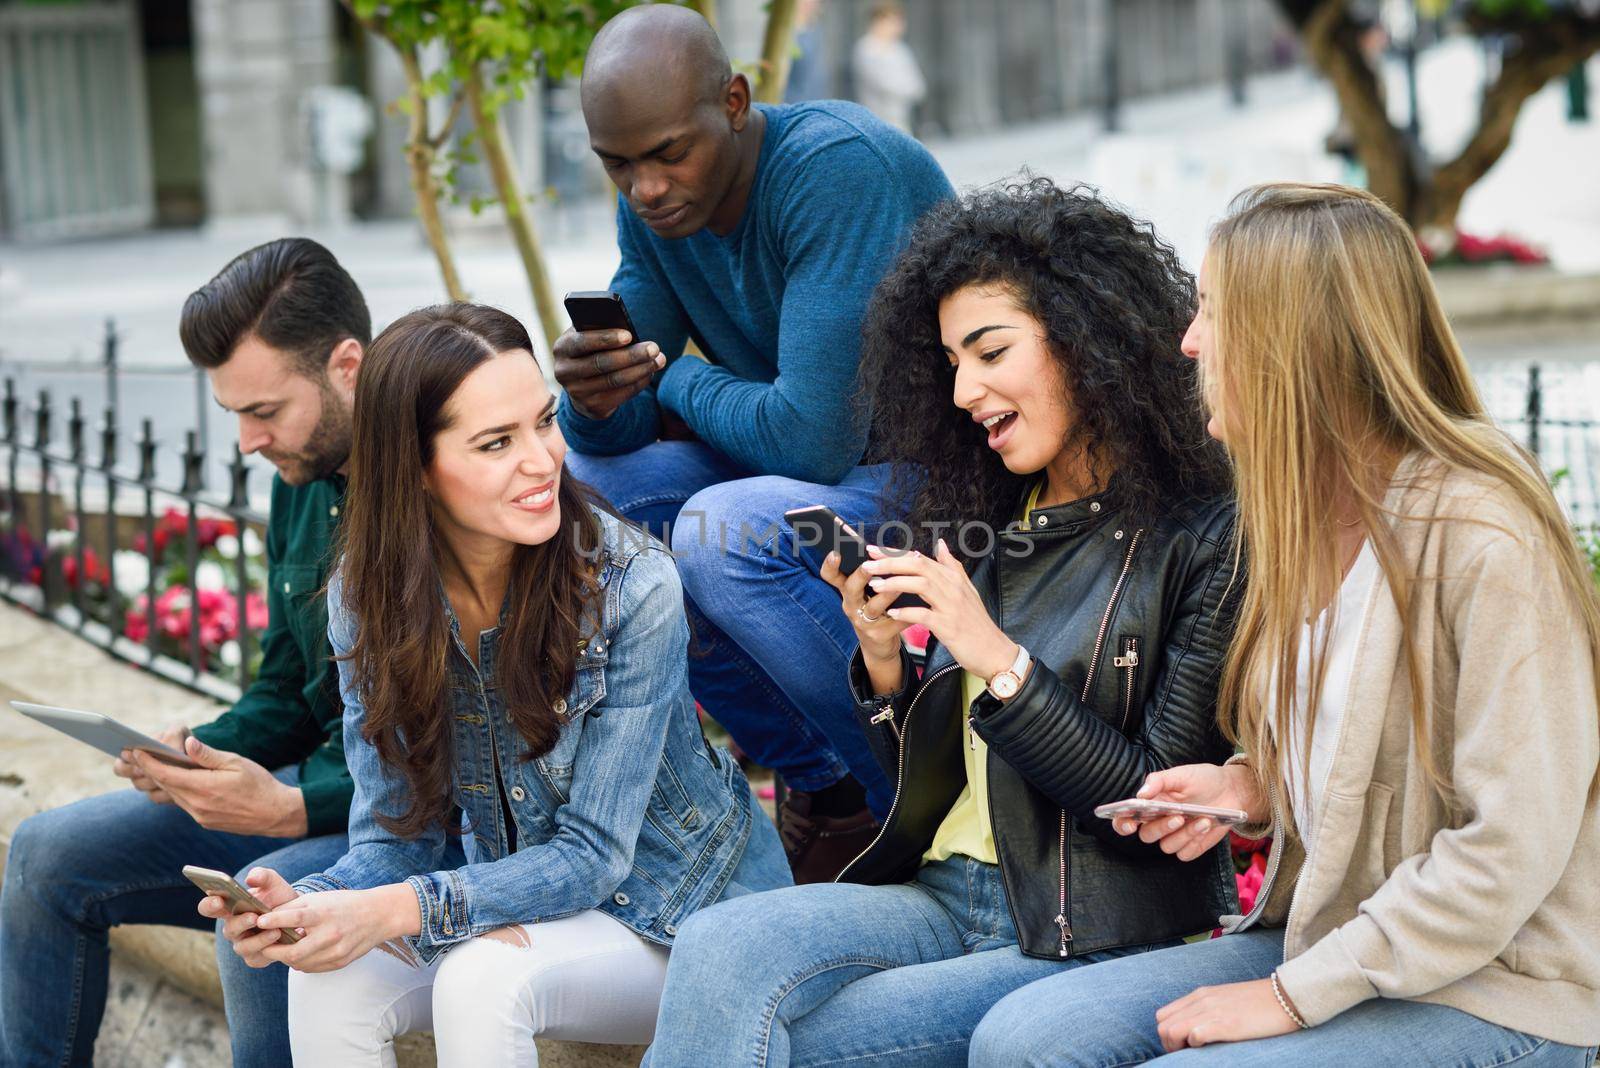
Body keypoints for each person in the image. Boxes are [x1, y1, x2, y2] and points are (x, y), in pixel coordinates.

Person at [969, 183, 1600, 1067]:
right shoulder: (1293, 520)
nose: (1188, 341)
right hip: (1334, 942)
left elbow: (1509, 844)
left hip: (1499, 987)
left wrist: (1288, 996)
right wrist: (1250, 790)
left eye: (1213, 312)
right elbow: (1362, 756)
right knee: (1024, 1039)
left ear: (1293, 339)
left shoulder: (1483, 534)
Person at [643, 178, 1242, 1067]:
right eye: (952, 364)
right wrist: (884, 666)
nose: (965, 391)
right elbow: (938, 791)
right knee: (718, 946)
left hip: (1082, 926)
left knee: (799, 1043)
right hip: (943, 893)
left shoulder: (1203, 531)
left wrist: (993, 654)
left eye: (990, 352)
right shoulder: (1004, 509)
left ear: (1088, 338)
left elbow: (1149, 797)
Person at [209, 303, 790, 1065]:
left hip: (679, 911)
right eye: (495, 442)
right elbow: (394, 836)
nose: (543, 461)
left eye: (543, 423)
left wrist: (394, 909)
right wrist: (314, 905)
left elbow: (593, 858)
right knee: (330, 975)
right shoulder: (365, 596)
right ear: (414, 466)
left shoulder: (630, 586)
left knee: (482, 980)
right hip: (518, 903)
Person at [554, 4, 954, 881]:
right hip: (804, 471)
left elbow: (809, 439)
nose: (647, 187)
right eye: (618, 165)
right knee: (581, 498)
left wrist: (672, 378)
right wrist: (591, 397)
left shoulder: (834, 173)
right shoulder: (661, 213)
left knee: (720, 532)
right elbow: (620, 432)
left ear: (733, 101)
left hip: (936, 478)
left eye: (668, 153)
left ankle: (928, 798)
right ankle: (829, 788)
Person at [0, 238, 369, 1068]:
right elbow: (288, 680)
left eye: (265, 412)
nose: (245, 442)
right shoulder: (300, 483)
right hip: (317, 804)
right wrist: (204, 754)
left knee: (264, 923)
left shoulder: (438, 484)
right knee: (44, 854)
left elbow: (457, 740)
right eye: (234, 414)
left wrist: (292, 807)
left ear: (347, 365)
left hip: (413, 827)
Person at [851, 1, 926, 134]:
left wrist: (909, 89)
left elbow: (917, 85)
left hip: (901, 120)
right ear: (877, 22)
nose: (897, 26)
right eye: (891, 21)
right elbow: (883, 84)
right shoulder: (866, 48)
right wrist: (905, 88)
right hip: (876, 121)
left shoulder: (900, 49)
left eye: (899, 21)